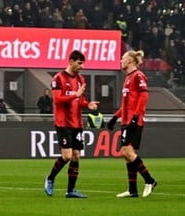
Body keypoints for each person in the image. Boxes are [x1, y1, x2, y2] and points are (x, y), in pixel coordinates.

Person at [43, 49, 98, 199]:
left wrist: (88, 104)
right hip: (63, 122)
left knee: (76, 155)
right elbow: (57, 100)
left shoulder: (80, 79)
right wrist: (75, 95)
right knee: (66, 155)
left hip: (77, 123)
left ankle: (71, 190)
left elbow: (79, 101)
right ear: (71, 61)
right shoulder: (58, 78)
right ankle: (50, 178)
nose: (82, 66)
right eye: (79, 63)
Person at [108, 50, 157, 199]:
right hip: (126, 121)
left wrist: (136, 117)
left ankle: (150, 180)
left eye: (123, 58)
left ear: (130, 61)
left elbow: (144, 97)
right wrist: (115, 117)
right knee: (127, 155)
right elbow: (127, 104)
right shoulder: (128, 78)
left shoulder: (138, 76)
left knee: (127, 152)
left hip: (133, 121)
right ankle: (132, 190)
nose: (120, 61)